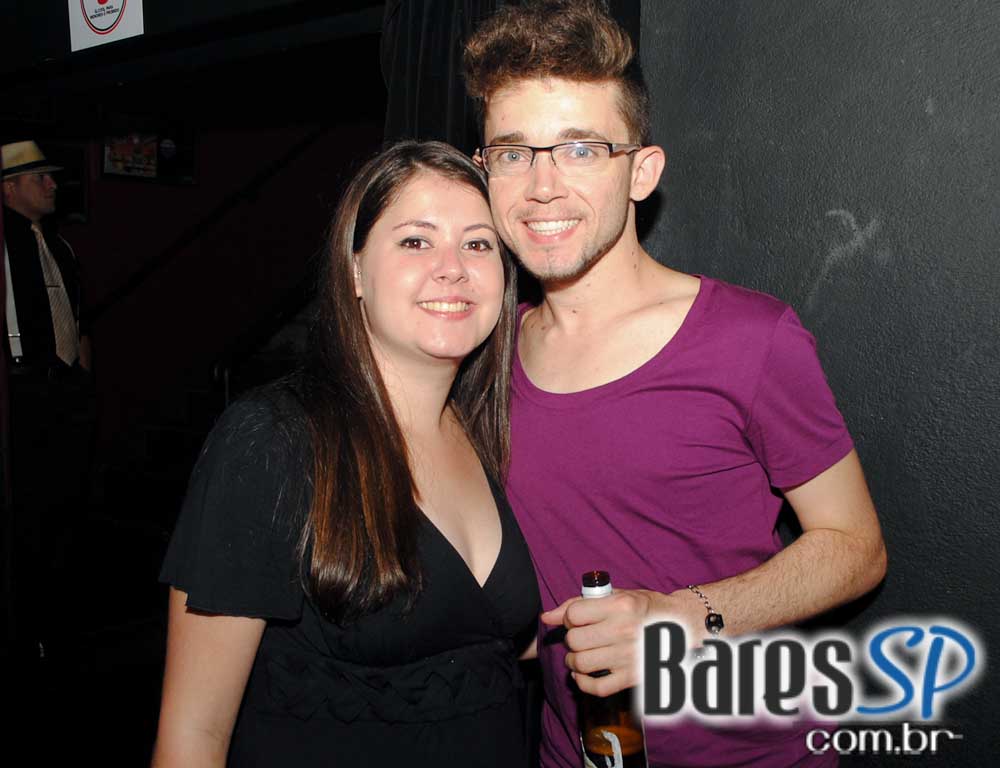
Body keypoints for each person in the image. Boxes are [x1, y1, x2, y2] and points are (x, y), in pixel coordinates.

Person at [463, 2, 887, 766]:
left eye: (581, 149)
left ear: (642, 172)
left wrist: (683, 617)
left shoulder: (749, 339)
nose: (542, 186)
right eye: (514, 152)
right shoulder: (485, 358)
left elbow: (856, 549)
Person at [151, 140, 539, 767]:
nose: (453, 268)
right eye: (416, 240)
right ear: (355, 271)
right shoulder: (272, 440)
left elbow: (472, 636)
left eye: (478, 244)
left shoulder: (485, 433)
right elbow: (193, 735)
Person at [2, 140, 94, 675]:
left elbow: (80, 322)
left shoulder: (59, 246)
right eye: (40, 177)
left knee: (65, 508)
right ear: (9, 188)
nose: (53, 184)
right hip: (22, 390)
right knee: (28, 513)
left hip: (65, 392)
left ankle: (59, 625)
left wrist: (84, 384)